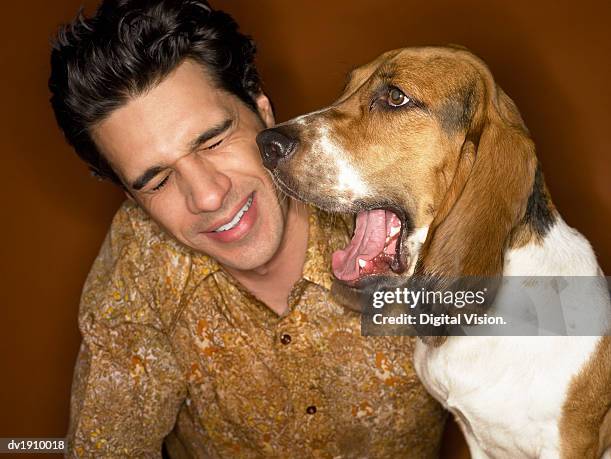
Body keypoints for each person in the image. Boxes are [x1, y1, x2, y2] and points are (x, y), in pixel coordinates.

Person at [49, 0, 445, 456]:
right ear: (132, 198)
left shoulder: (404, 186)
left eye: (214, 141)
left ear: (262, 108)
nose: (207, 196)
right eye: (157, 181)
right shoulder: (137, 274)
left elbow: (539, 341)